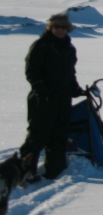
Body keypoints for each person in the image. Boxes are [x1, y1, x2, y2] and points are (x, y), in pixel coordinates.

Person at [20, 12, 84, 183]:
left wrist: (75, 89)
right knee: (37, 135)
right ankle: (27, 171)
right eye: (56, 26)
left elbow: (70, 73)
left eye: (63, 27)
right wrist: (42, 91)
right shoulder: (41, 46)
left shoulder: (69, 48)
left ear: (68, 29)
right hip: (42, 99)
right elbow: (32, 72)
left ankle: (55, 169)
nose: (60, 30)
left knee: (59, 135)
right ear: (50, 27)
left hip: (62, 98)